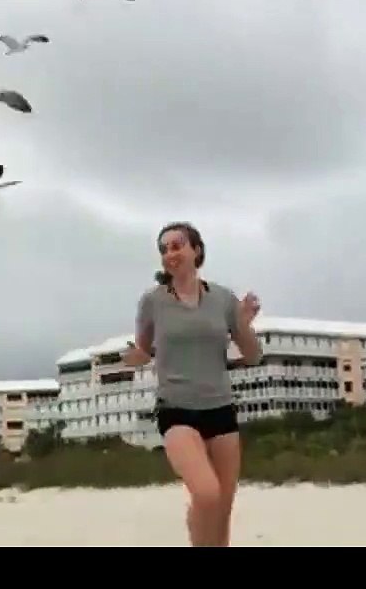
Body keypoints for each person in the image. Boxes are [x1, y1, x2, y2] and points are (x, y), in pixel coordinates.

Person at [123, 221, 261, 547]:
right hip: (177, 410)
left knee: (221, 515)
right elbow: (144, 349)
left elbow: (253, 355)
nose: (170, 253)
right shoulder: (152, 302)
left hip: (221, 410)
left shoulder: (223, 299)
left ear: (196, 250)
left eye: (177, 245)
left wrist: (242, 321)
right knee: (207, 494)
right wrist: (134, 358)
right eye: (164, 248)